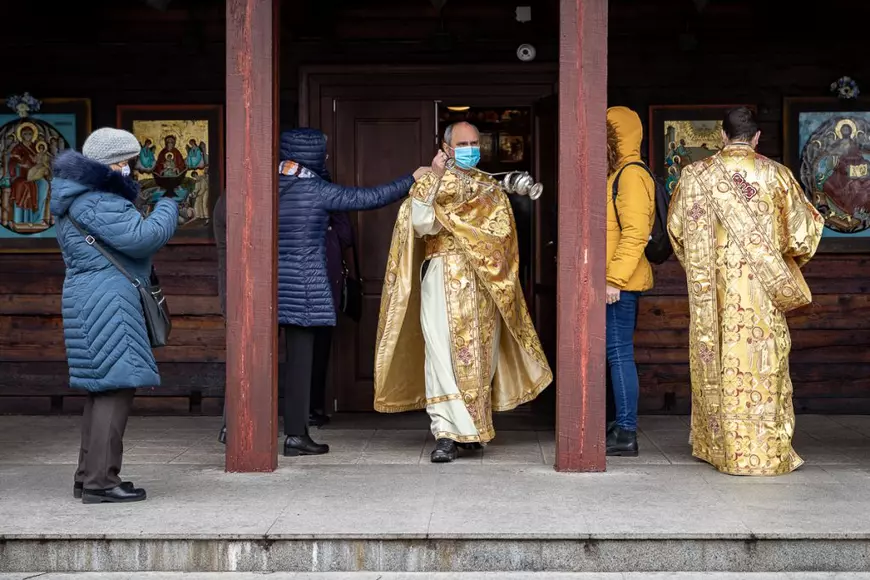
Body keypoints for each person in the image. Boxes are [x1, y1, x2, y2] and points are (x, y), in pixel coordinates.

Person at [373, 121, 552, 463]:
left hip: (484, 284)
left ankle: (473, 430)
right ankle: (444, 433)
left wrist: (474, 238)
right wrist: (438, 179)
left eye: (475, 143)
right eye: (463, 143)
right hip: (442, 276)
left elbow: (504, 238)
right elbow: (422, 224)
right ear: (446, 148)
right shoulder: (429, 180)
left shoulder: (491, 186)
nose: (471, 148)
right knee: (441, 355)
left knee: (479, 358)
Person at [667, 106, 824, 476]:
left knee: (719, 362)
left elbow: (677, 232)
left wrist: (703, 269)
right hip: (761, 296)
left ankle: (719, 448)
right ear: (757, 138)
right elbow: (803, 238)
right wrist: (775, 259)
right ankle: (765, 452)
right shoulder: (776, 175)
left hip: (714, 298)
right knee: (763, 367)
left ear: (721, 136)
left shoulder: (693, 176)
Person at [276, 127, 430, 457]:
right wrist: (410, 179)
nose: (327, 157)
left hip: (274, 286)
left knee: (274, 362)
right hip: (304, 286)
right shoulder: (313, 188)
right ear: (313, 155)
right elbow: (366, 199)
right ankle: (295, 436)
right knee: (301, 365)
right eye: (323, 152)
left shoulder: (271, 186)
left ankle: (237, 426)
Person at [50, 127, 179, 503]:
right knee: (115, 386)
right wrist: (169, 204)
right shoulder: (96, 200)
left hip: (92, 296)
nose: (130, 169)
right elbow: (143, 238)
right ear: (110, 164)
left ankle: (88, 476)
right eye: (125, 162)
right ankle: (101, 483)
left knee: (102, 387)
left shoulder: (79, 196)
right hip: (108, 299)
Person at [604, 106, 656, 457]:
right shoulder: (617, 172)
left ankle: (626, 431)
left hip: (619, 284)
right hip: (613, 281)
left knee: (619, 354)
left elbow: (637, 233)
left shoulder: (631, 175)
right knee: (614, 353)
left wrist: (613, 279)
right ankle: (618, 424)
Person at [309, 210, 355, 428]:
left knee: (308, 355)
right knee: (315, 354)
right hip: (321, 296)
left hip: (302, 295)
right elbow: (346, 236)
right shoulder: (328, 227)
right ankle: (309, 409)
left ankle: (308, 409)